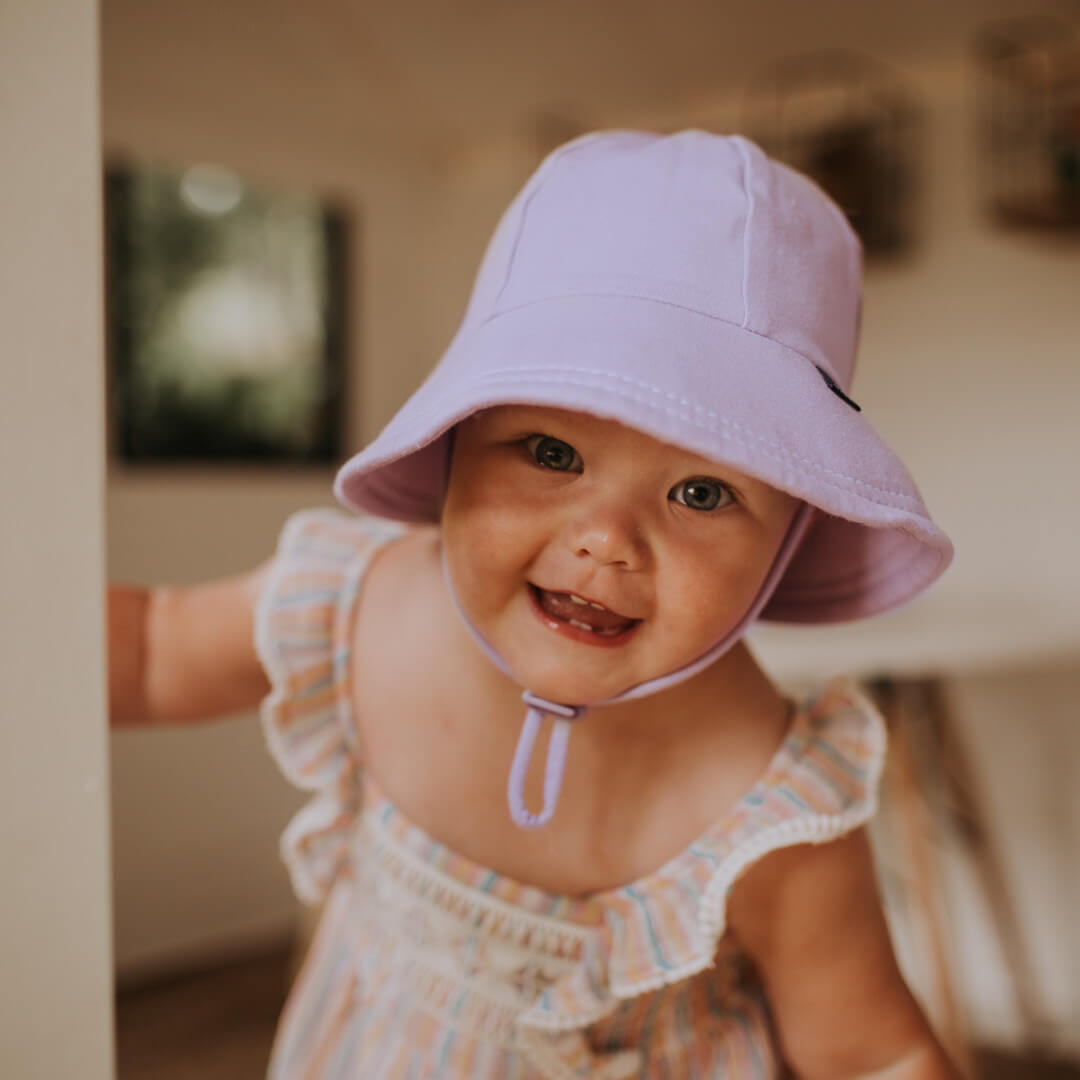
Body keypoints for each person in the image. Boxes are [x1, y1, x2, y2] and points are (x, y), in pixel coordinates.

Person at [110, 130, 960, 1079]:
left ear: (790, 535)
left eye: (702, 493)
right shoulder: (357, 606)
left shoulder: (768, 808)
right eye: (552, 452)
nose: (607, 540)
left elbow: (873, 1056)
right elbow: (146, 651)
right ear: (453, 443)